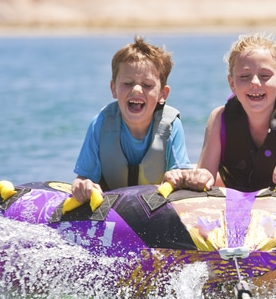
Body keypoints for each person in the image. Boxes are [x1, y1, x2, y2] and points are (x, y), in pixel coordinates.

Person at [163, 32, 276, 192]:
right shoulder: (219, 118)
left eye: (265, 75)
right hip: (247, 181)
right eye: (244, 76)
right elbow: (206, 173)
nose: (255, 82)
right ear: (231, 83)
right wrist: (192, 176)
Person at [71, 36, 192, 203]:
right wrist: (83, 185)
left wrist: (177, 176)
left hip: (156, 207)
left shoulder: (171, 126)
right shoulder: (100, 124)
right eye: (127, 83)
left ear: (163, 94)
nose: (136, 89)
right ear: (113, 89)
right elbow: (83, 178)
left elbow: (181, 175)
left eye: (147, 85)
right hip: (112, 208)